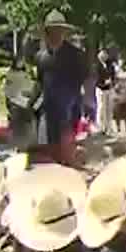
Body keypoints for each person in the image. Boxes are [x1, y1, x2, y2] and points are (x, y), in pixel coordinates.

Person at [34, 10, 89, 166]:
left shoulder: (75, 55)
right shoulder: (40, 57)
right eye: (52, 30)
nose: (55, 34)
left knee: (67, 149)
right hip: (48, 108)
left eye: (59, 30)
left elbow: (81, 79)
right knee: (49, 147)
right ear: (47, 32)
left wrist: (74, 102)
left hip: (69, 108)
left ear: (64, 32)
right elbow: (40, 82)